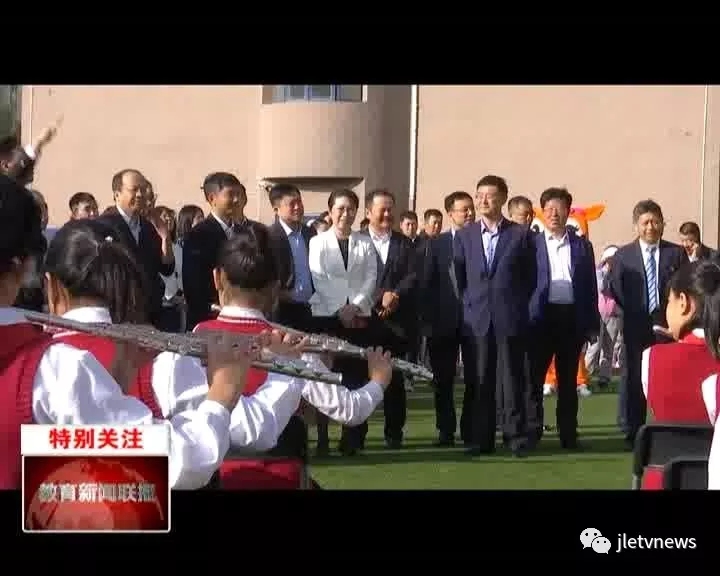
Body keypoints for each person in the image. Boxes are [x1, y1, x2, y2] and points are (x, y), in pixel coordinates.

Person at [0, 174, 261, 490]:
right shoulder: (56, 369)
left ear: (51, 284)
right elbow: (175, 462)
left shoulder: (55, 360)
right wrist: (222, 393)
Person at [195, 226, 393, 488]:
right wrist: (378, 380)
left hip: (210, 477)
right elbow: (350, 410)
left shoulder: (192, 339)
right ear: (276, 288)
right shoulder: (292, 348)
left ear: (217, 278)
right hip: (279, 476)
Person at [454, 175, 536, 457]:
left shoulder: (520, 235)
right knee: (479, 379)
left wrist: (517, 307)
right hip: (477, 317)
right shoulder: (465, 236)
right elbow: (460, 278)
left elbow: (531, 278)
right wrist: (470, 306)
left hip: (509, 316)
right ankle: (481, 438)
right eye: (479, 196)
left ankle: (515, 436)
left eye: (489, 195)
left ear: (502, 198)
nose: (483, 201)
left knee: (512, 378)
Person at [609, 199, 688, 448]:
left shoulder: (676, 254)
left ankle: (671, 426)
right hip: (635, 324)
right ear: (636, 226)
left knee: (668, 377)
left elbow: (685, 287)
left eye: (655, 222)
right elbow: (615, 288)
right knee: (633, 377)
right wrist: (632, 311)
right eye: (645, 223)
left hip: (667, 325)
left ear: (663, 224)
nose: (650, 227)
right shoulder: (623, 256)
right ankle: (632, 430)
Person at [528, 188, 600, 450]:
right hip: (541, 319)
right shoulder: (531, 244)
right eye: (548, 209)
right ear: (542, 212)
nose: (553, 214)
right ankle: (532, 431)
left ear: (568, 212)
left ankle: (568, 433)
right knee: (534, 379)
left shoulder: (582, 246)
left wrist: (591, 324)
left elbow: (590, 286)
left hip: (571, 318)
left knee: (568, 380)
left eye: (558, 209)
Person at [308, 188, 377, 455]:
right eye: (340, 208)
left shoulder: (365, 242)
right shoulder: (318, 242)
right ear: (330, 211)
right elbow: (318, 277)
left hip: (359, 316)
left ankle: (352, 438)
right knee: (324, 374)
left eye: (351, 209)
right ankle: (322, 437)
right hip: (327, 316)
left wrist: (355, 305)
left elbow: (371, 277)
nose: (345, 214)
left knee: (356, 375)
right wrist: (340, 309)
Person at [361, 189, 417, 448]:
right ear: (368, 212)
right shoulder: (356, 240)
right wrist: (379, 296)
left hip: (396, 324)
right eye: (381, 209)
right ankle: (356, 435)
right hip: (363, 321)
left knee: (394, 381)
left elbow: (413, 276)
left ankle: (394, 432)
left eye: (390, 209)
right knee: (360, 379)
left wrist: (395, 296)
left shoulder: (404, 243)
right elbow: (352, 277)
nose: (387, 214)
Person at [423, 191, 475, 446]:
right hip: (443, 322)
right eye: (464, 209)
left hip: (475, 321)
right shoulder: (436, 244)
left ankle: (471, 429)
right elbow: (427, 283)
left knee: (475, 378)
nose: (470, 213)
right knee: (443, 380)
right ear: (451, 213)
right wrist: (428, 321)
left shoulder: (480, 240)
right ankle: (445, 430)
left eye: (471, 208)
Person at [183, 172, 264, 330]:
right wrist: (215, 309)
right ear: (212, 198)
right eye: (231, 194)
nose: (237, 200)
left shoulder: (245, 233)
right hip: (210, 321)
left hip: (244, 317)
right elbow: (192, 285)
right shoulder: (198, 235)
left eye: (238, 194)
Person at [98, 169, 175, 328]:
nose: (140, 195)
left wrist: (165, 238)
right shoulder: (103, 226)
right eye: (134, 190)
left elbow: (166, 268)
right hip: (119, 315)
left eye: (143, 189)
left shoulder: (148, 227)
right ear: (117, 194)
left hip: (151, 314)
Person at [266, 183, 316, 331]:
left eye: (299, 202)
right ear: (276, 209)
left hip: (312, 308)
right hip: (283, 310)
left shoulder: (310, 233)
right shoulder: (268, 236)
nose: (297, 207)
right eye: (292, 204)